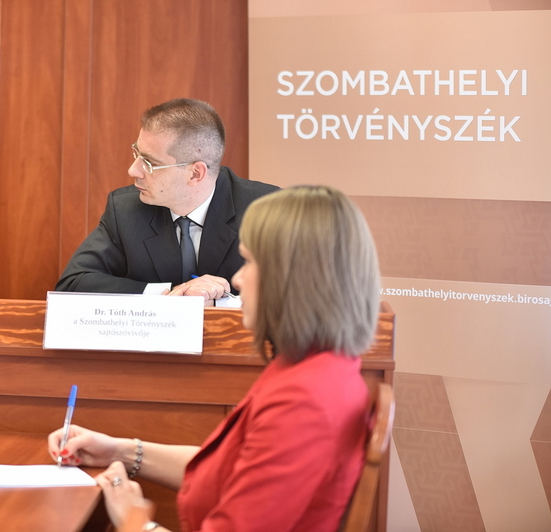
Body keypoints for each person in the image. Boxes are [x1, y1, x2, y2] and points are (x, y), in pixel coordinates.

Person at [48, 186, 381, 532]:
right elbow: (228, 468)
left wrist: (133, 518)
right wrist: (118, 451)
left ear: (293, 279)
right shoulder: (313, 370)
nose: (237, 278)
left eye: (250, 263)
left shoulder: (305, 403)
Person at [55, 98, 278, 302]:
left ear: (195, 173)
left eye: (149, 163)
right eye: (137, 154)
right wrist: (174, 294)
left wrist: (219, 302)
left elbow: (291, 298)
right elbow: (72, 285)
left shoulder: (268, 211)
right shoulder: (126, 210)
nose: (133, 170)